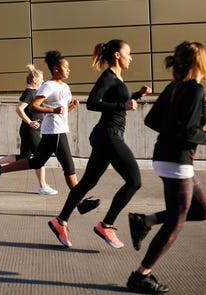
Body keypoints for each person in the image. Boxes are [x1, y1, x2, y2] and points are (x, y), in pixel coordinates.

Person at [126, 41, 206, 294]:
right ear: (200, 61)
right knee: (176, 222)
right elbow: (189, 132)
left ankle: (145, 221)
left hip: (169, 158)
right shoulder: (194, 90)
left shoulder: (174, 87)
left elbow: (151, 120)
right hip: (176, 162)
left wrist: (173, 134)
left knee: (204, 209)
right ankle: (141, 275)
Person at [48, 39, 151, 248]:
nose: (130, 57)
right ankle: (107, 225)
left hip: (108, 135)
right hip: (109, 135)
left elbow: (120, 102)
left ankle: (60, 222)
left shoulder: (117, 78)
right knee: (134, 181)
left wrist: (137, 95)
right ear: (116, 55)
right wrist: (124, 103)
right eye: (128, 53)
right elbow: (93, 102)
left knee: (87, 182)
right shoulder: (108, 76)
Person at [0, 50, 100, 214]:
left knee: (36, 162)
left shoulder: (65, 87)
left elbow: (61, 111)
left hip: (58, 130)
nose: (69, 70)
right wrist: (53, 110)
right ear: (55, 69)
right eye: (66, 67)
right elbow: (34, 106)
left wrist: (71, 107)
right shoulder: (48, 85)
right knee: (69, 166)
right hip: (54, 131)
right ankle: (80, 203)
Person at [0, 64, 58, 195]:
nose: (43, 81)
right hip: (30, 130)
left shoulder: (35, 93)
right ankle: (42, 186)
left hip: (30, 130)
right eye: (41, 79)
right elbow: (19, 109)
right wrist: (31, 122)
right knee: (40, 156)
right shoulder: (29, 93)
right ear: (34, 80)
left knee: (23, 157)